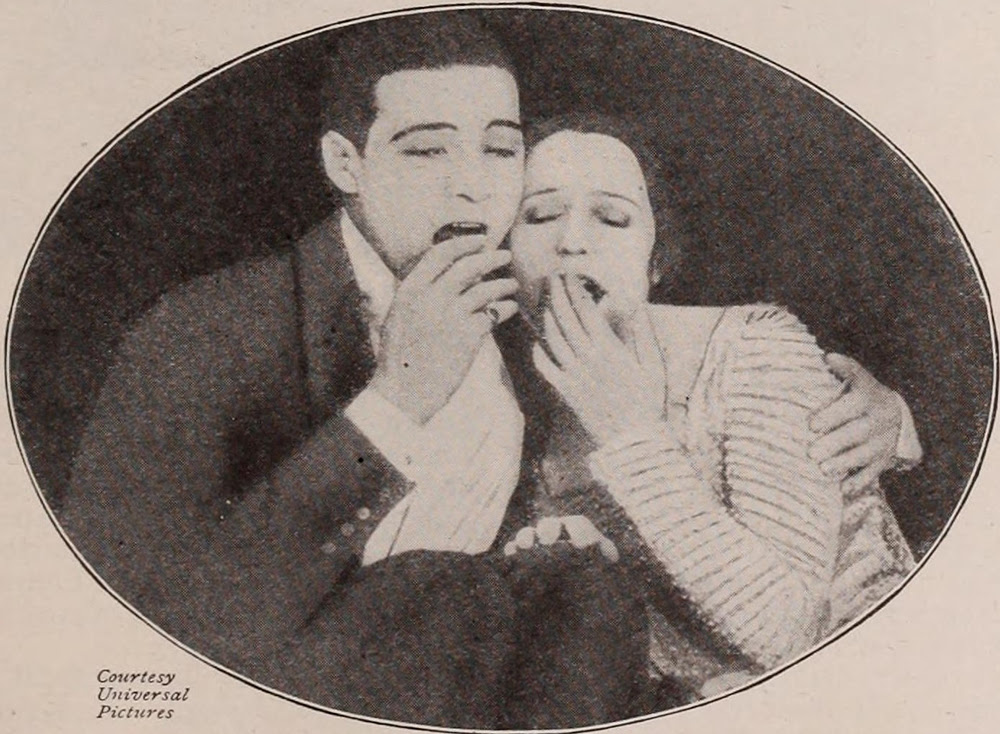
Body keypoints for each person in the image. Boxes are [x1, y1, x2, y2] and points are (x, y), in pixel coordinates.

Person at [57, 14, 916, 727]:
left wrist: (891, 420)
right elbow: (121, 642)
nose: (473, 191)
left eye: (501, 152)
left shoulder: (554, 329)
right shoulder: (208, 330)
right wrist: (395, 405)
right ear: (344, 165)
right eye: (429, 151)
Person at [499, 112, 918, 706]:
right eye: (539, 215)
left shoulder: (753, 346)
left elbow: (791, 635)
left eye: (613, 217)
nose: (571, 240)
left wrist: (630, 434)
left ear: (655, 262)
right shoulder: (503, 405)